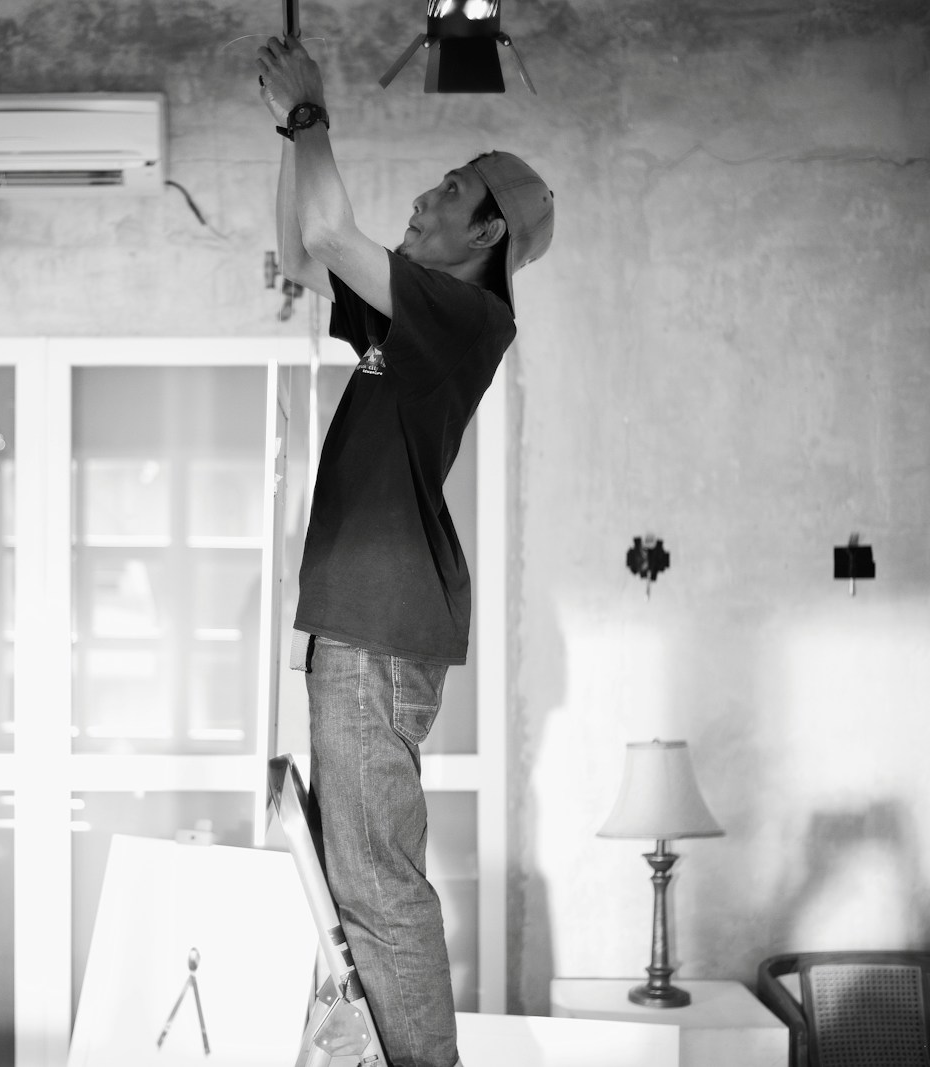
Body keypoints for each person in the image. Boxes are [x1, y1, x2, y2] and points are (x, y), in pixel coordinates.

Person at [255, 33, 554, 1067]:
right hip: (361, 627)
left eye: (451, 191)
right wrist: (291, 139)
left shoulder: (461, 315)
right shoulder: (405, 320)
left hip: (376, 628)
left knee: (377, 885)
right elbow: (304, 250)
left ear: (489, 233)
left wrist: (308, 117)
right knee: (358, 881)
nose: (424, 198)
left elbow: (332, 229)